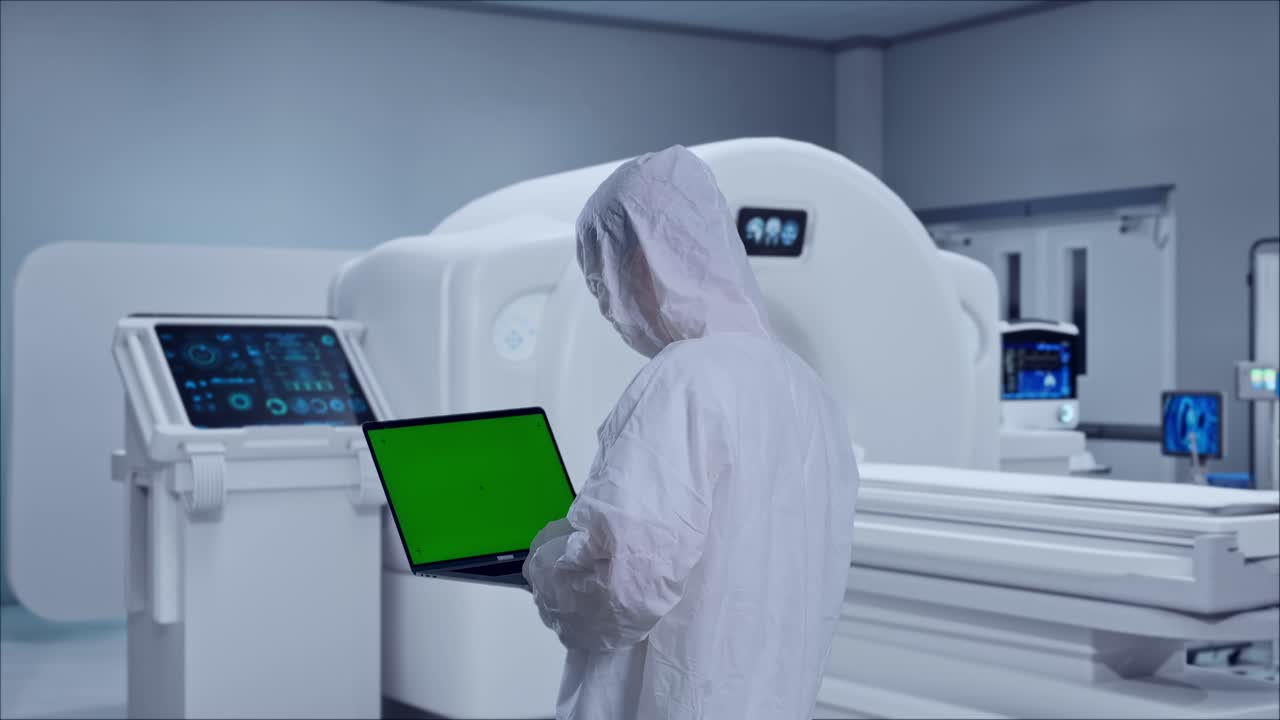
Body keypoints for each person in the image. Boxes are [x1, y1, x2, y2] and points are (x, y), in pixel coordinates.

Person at [522, 145, 859, 720]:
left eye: (603, 275)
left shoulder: (684, 377)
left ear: (643, 261)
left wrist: (547, 566)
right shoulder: (807, 388)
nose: (606, 302)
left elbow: (624, 585)